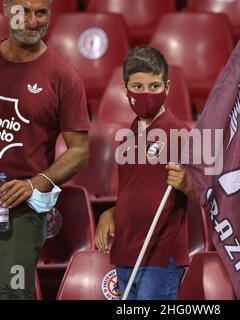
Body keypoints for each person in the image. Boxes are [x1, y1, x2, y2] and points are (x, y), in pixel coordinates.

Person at [0, 0, 90, 300]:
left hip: (19, 219)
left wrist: (34, 184)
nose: (32, 21)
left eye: (41, 12)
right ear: (6, 10)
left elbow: (79, 151)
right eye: (23, 11)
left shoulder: (65, 76)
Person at [95, 46, 197, 300]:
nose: (146, 94)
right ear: (125, 89)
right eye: (138, 87)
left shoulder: (179, 134)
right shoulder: (128, 136)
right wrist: (110, 213)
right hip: (127, 251)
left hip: (160, 255)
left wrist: (187, 185)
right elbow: (135, 192)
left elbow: (210, 196)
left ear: (167, 86)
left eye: (154, 86)